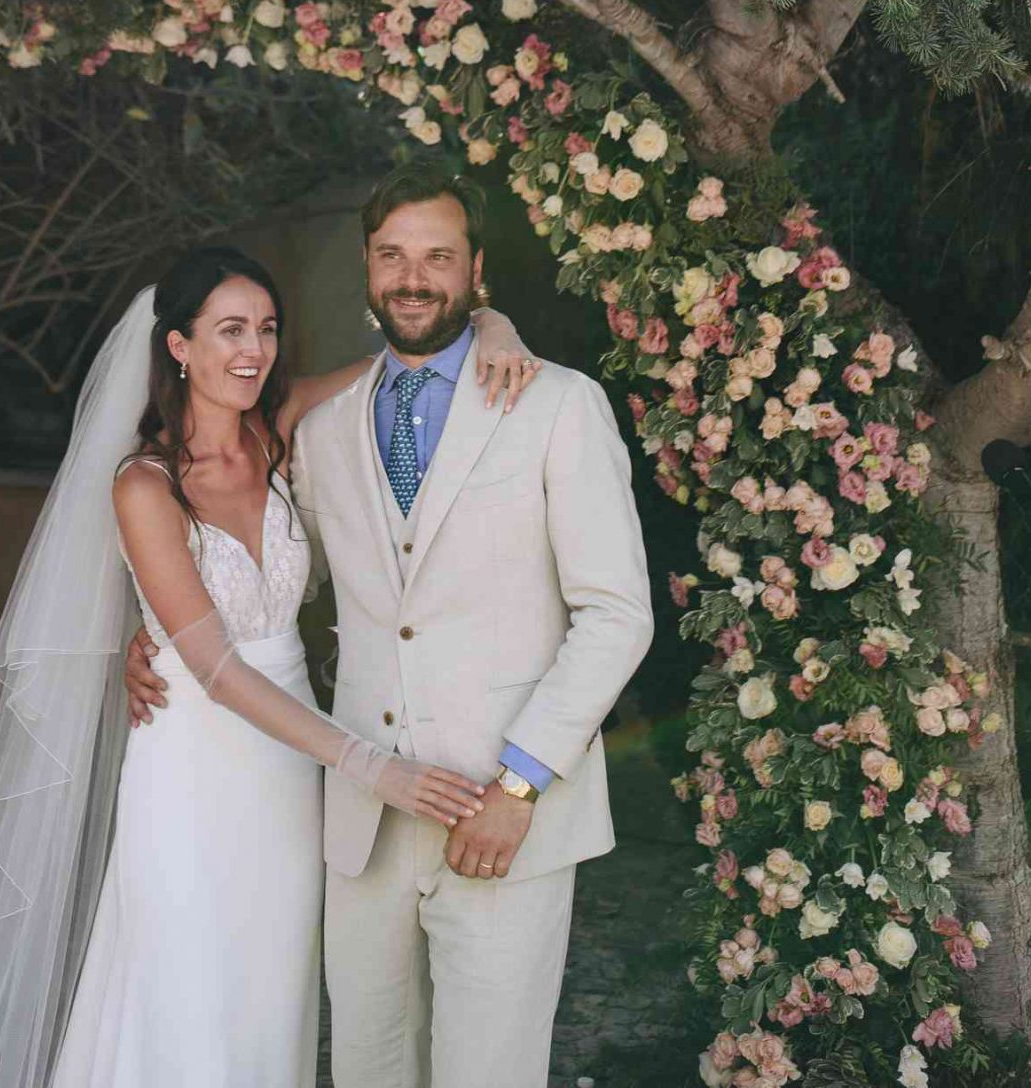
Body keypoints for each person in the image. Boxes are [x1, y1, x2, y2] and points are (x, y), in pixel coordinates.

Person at [0, 234, 541, 1088]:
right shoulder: (145, 484)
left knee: (268, 992)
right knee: (186, 990)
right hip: (192, 765)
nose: (254, 350)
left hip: (287, 775)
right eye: (230, 329)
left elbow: (400, 359)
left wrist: (492, 324)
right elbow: (215, 669)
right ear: (179, 345)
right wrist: (369, 766)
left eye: (266, 328)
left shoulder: (276, 433)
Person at [126, 161, 654, 1088]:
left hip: (502, 813)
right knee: (368, 1068)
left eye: (437, 257)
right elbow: (282, 572)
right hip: (362, 820)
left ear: (475, 270)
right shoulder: (320, 427)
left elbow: (616, 616)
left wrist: (520, 784)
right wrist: (162, 632)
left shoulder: (557, 404)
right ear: (367, 268)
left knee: (487, 1073)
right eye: (391, 256)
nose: (412, 278)